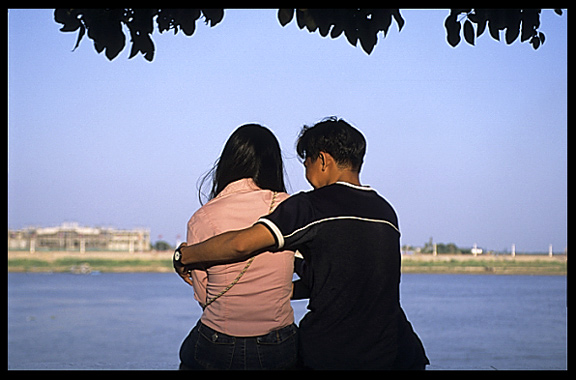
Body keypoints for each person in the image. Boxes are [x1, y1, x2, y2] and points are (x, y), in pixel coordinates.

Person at [175, 117, 429, 370]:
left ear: (322, 160)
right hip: (396, 352)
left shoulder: (312, 206)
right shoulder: (385, 211)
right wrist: (279, 289)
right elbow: (336, 280)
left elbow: (241, 243)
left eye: (306, 161)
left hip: (333, 354)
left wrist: (185, 256)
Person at [176, 124, 298, 370]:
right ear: (273, 163)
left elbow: (204, 295)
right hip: (278, 341)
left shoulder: (203, 217)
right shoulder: (290, 207)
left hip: (218, 340)